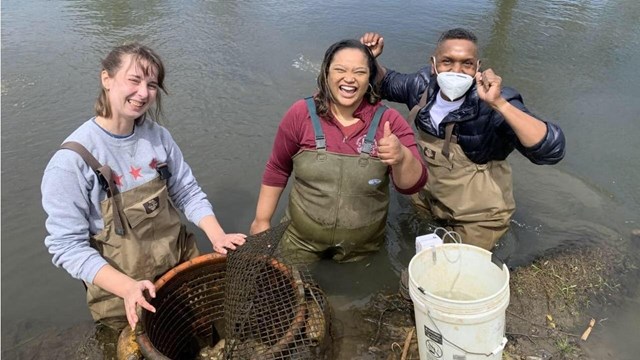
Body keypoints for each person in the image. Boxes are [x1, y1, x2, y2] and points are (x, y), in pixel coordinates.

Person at [41, 43, 246, 331]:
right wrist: (127, 287)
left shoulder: (158, 137)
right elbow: (66, 247)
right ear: (106, 79)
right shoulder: (70, 162)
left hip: (179, 269)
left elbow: (186, 191)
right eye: (134, 80)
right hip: (121, 294)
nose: (143, 93)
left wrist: (217, 235)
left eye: (151, 84)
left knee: (208, 332)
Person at [360, 29, 565, 250]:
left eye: (466, 64)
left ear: (478, 68)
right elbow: (386, 82)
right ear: (433, 64)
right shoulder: (421, 86)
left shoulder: (494, 104)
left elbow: (551, 150)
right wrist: (369, 59)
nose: (456, 71)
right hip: (428, 197)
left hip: (478, 215)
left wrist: (499, 104)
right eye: (447, 61)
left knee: (461, 271)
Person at [250, 39, 427, 263]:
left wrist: (401, 157)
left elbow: (414, 184)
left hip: (363, 248)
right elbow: (277, 168)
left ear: (370, 78)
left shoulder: (389, 121)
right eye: (340, 70)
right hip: (299, 240)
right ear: (326, 73)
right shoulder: (300, 114)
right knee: (284, 290)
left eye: (360, 72)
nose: (349, 78)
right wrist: (262, 221)